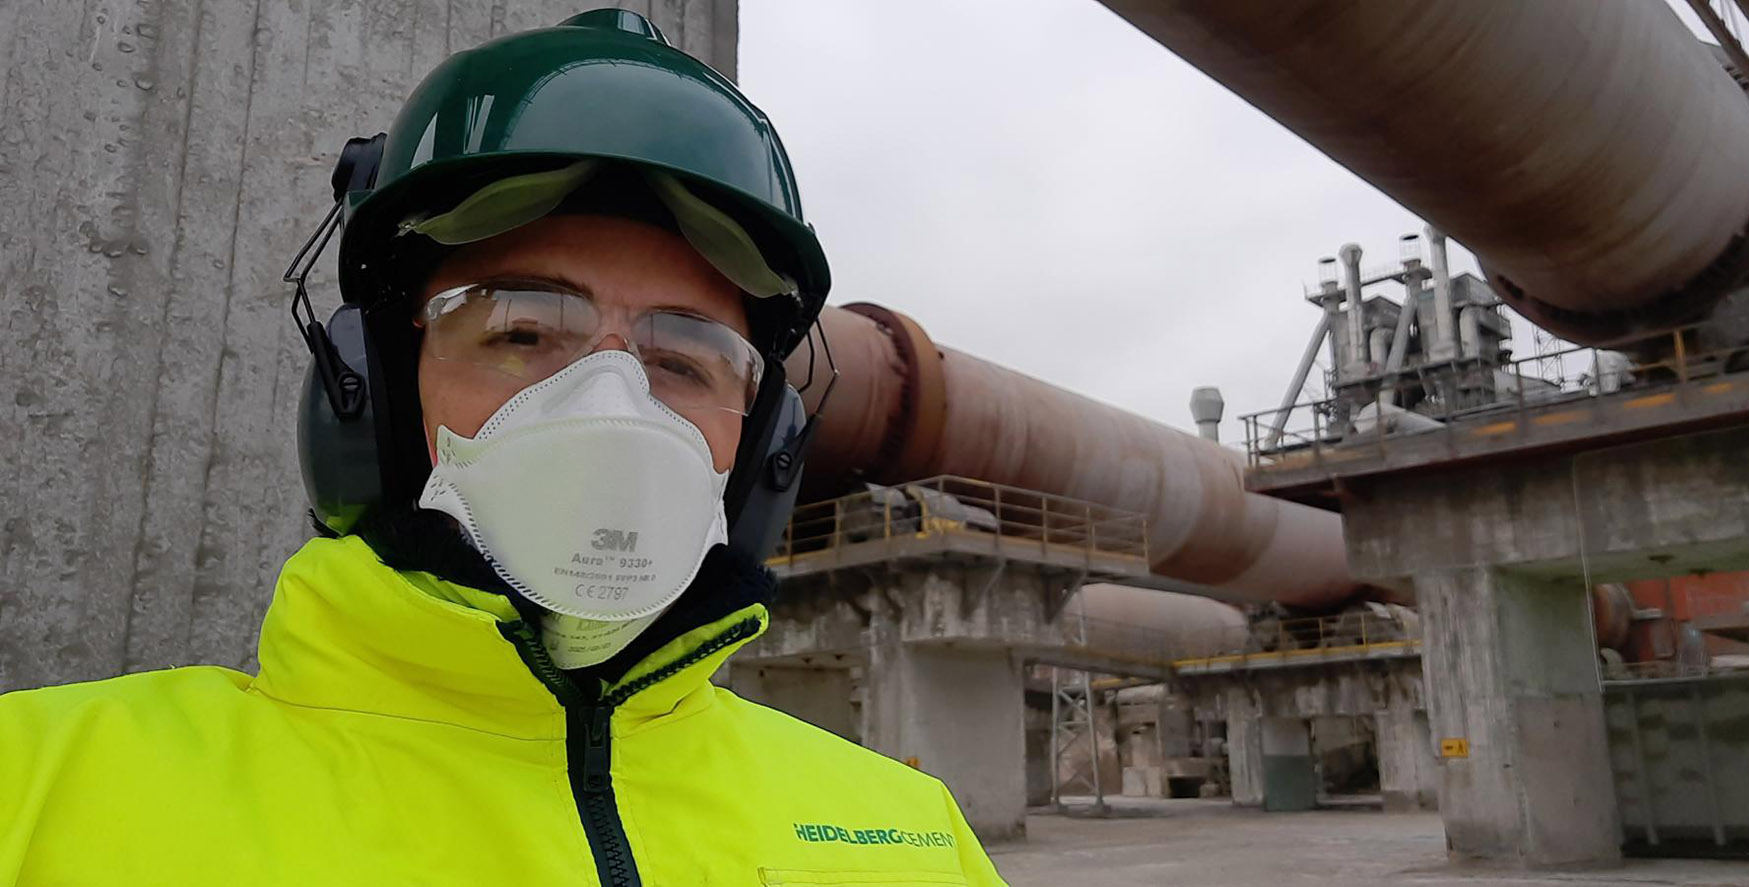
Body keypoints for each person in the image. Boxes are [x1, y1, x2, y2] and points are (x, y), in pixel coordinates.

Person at [0, 11, 1006, 886]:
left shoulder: (916, 839)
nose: (610, 407)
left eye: (688, 360)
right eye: (522, 331)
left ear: (760, 457)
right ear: (372, 398)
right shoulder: (36, 794)